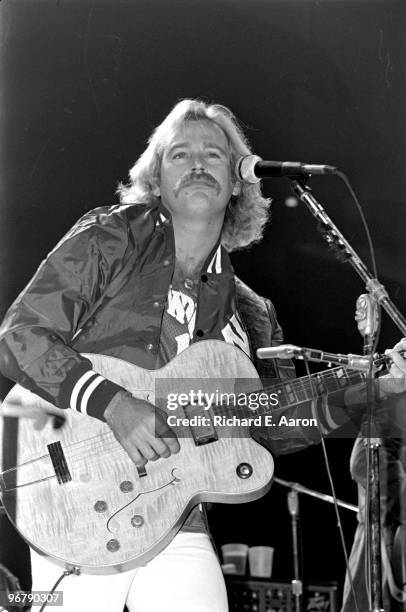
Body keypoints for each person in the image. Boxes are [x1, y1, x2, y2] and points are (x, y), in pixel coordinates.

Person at [0, 99, 405, 612]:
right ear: (157, 179)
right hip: (76, 497)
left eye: (213, 155)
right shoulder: (113, 236)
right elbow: (22, 333)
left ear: (238, 180)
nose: (196, 164)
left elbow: (269, 427)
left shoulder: (252, 313)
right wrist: (115, 404)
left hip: (177, 514)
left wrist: (376, 385)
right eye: (179, 155)